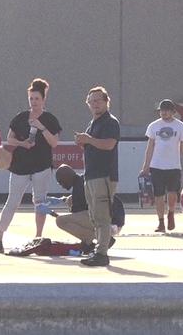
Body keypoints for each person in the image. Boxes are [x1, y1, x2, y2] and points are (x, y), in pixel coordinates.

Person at [0, 78, 61, 253]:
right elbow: (10, 138)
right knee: (13, 200)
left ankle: (38, 237)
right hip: (20, 165)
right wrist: (22, 144)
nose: (33, 102)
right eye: (31, 99)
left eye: (37, 99)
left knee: (39, 201)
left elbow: (54, 143)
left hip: (41, 165)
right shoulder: (21, 117)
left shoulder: (49, 119)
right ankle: (0, 236)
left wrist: (42, 128)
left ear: (43, 99)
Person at [75, 86, 120, 266]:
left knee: (102, 216)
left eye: (98, 100)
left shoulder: (110, 122)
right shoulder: (93, 124)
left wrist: (89, 140)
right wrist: (84, 143)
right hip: (91, 175)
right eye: (91, 101)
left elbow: (109, 144)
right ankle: (99, 249)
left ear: (106, 102)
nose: (94, 104)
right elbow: (94, 145)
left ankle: (102, 254)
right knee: (94, 216)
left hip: (104, 175)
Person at [140, 99, 183, 232]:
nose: (164, 113)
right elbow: (150, 147)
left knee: (172, 192)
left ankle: (171, 213)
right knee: (158, 194)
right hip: (156, 165)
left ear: (173, 112)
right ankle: (161, 221)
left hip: (174, 165)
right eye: (162, 111)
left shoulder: (180, 126)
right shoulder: (153, 126)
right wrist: (146, 166)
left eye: (167, 110)